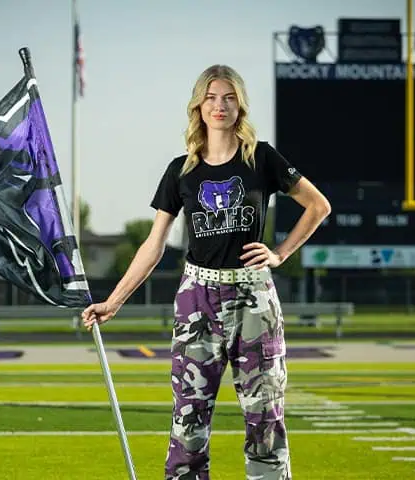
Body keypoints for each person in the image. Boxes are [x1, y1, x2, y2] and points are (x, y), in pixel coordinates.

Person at [81, 64, 331, 480]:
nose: (220, 105)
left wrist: (280, 253)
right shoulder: (181, 170)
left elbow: (318, 205)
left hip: (254, 299)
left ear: (240, 106)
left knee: (265, 416)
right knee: (189, 418)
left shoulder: (262, 158)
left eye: (229, 98)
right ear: (198, 106)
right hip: (198, 298)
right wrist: (114, 301)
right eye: (211, 97)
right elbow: (154, 243)